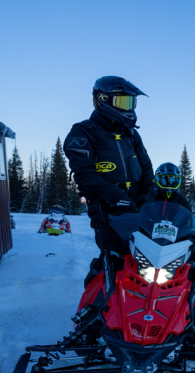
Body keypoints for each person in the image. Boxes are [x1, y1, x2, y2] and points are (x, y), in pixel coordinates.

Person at [63, 76, 155, 256]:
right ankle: (105, 282)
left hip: (139, 204)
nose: (129, 108)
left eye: (131, 102)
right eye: (123, 101)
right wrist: (116, 197)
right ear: (103, 100)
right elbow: (84, 173)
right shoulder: (83, 132)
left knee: (148, 256)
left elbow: (147, 167)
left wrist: (148, 194)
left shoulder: (131, 134)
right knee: (115, 258)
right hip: (106, 208)